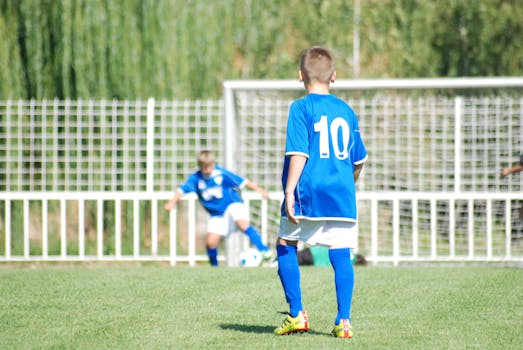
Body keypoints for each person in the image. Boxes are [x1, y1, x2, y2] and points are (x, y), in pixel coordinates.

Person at [273, 47, 368, 339]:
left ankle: (296, 314)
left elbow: (299, 152)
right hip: (341, 195)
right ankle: (344, 322)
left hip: (309, 191)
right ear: (334, 76)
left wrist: (289, 190)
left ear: (300, 76)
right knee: (341, 253)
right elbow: (359, 160)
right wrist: (347, 185)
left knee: (285, 243)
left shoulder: (301, 108)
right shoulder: (347, 111)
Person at [164, 150, 273, 266]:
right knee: (211, 242)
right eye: (204, 167)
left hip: (232, 204)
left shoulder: (221, 174)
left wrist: (260, 190)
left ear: (213, 164)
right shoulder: (196, 179)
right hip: (217, 214)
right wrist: (172, 202)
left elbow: (243, 182)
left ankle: (264, 250)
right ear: (199, 166)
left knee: (242, 223)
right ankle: (214, 267)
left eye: (209, 167)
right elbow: (181, 190)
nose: (207, 170)